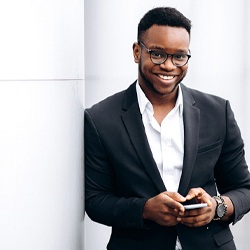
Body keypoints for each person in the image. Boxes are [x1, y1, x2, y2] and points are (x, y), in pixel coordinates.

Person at [84, 7, 250, 250]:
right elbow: (95, 200)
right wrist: (145, 210)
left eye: (179, 56)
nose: (169, 66)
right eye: (158, 54)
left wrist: (217, 207)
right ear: (137, 51)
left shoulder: (218, 112)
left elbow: (243, 188)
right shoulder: (100, 119)